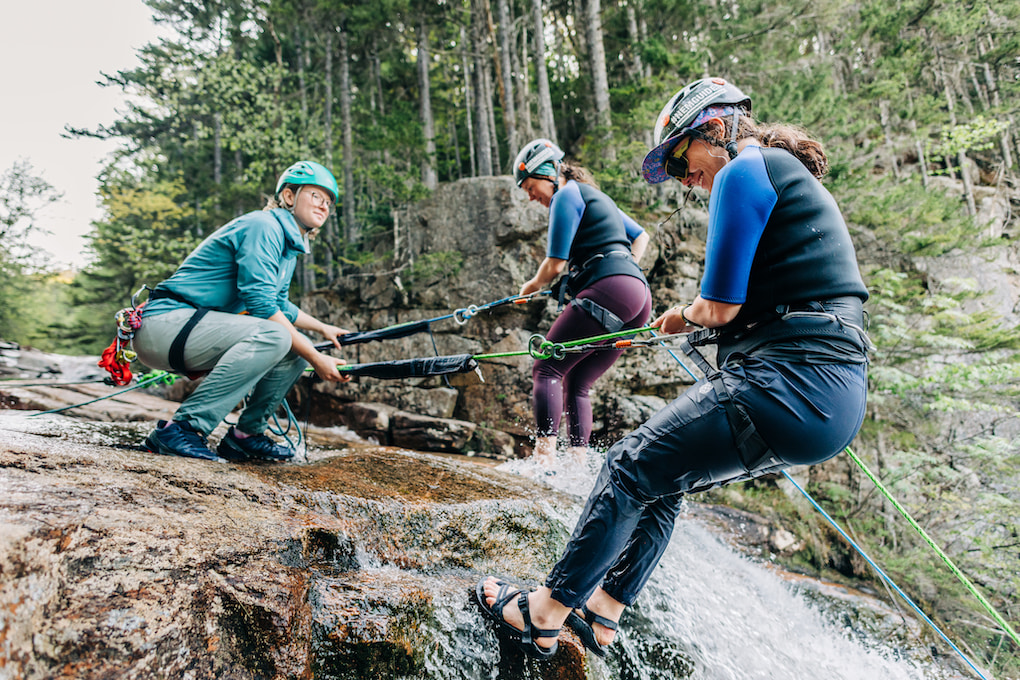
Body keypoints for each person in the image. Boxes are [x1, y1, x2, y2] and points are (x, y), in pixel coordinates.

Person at [476, 77, 871, 660]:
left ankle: (543, 612)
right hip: (831, 398)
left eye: (680, 160)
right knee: (666, 477)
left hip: (786, 382)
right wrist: (698, 319)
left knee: (628, 465)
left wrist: (683, 317)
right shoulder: (781, 172)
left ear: (713, 130)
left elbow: (719, 307)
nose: (683, 179)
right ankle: (605, 610)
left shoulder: (743, 169)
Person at [133, 160, 351, 462]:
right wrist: (316, 357)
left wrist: (322, 329)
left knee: (292, 347)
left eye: (328, 202)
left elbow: (278, 304)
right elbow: (261, 305)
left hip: (188, 328)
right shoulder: (264, 227)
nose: (324, 206)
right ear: (289, 196)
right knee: (279, 337)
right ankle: (180, 430)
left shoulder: (288, 245)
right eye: (316, 196)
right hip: (164, 324)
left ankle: (246, 436)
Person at [513, 139, 652, 466]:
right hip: (638, 299)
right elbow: (641, 236)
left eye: (531, 187)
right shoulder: (594, 196)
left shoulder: (566, 195)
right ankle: (577, 466)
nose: (531, 197)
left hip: (611, 291)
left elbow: (555, 263)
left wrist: (530, 286)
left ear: (549, 173)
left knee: (545, 366)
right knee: (577, 381)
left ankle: (543, 463)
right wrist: (622, 269)